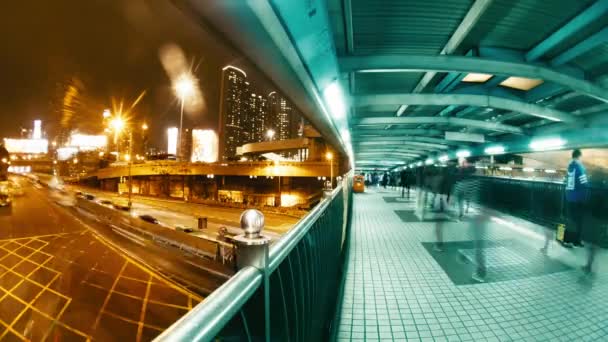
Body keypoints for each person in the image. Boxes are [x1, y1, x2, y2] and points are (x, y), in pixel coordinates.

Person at [563, 149, 587, 248]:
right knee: (578, 221)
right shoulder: (579, 166)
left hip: (569, 198)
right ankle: (576, 241)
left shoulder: (569, 167)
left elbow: (566, 180)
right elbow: (584, 182)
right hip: (578, 199)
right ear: (579, 156)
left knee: (570, 220)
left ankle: (567, 240)